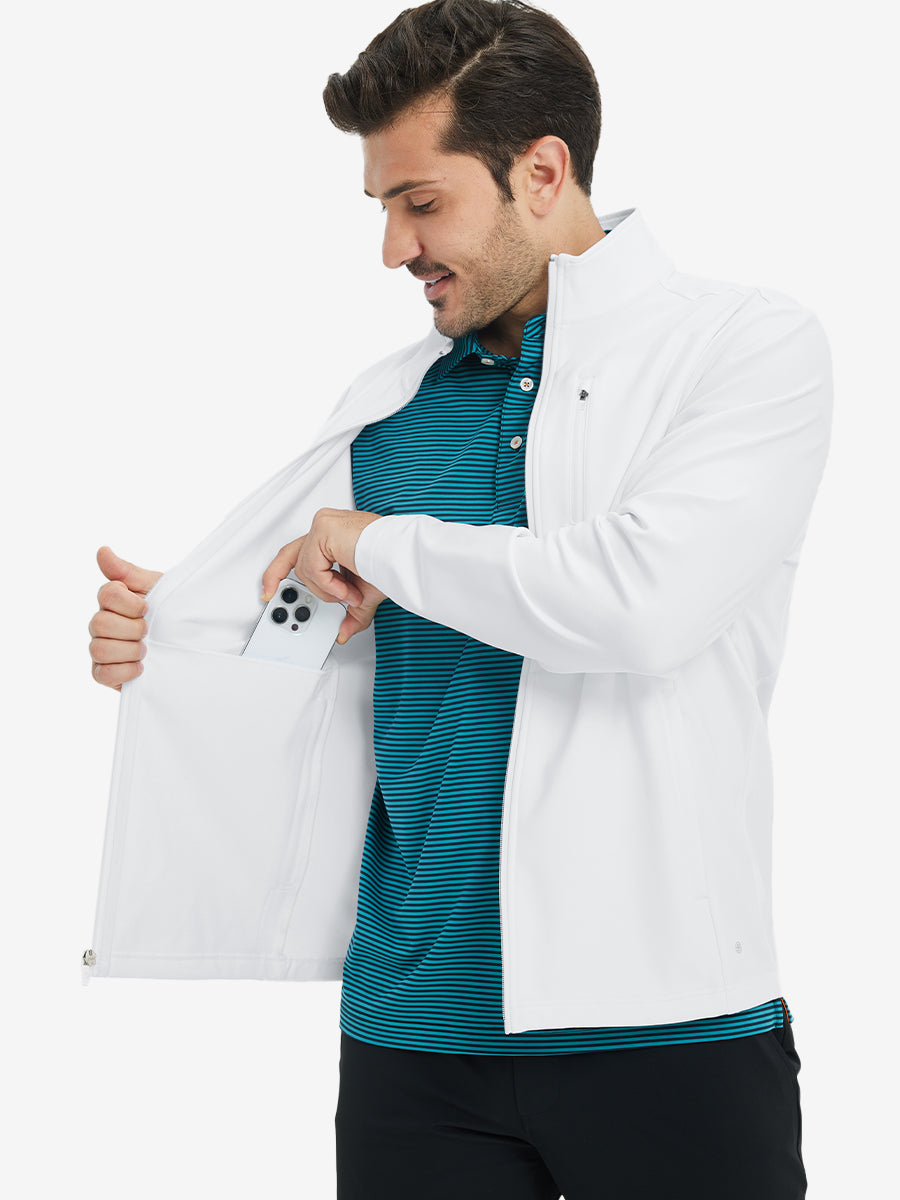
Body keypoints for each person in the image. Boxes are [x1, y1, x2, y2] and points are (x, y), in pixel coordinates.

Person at [86, 1, 831, 1196]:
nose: (394, 248)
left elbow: (640, 602)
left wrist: (380, 544)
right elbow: (318, 639)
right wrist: (180, 639)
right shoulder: (392, 404)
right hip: (412, 1038)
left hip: (668, 1024)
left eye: (421, 202)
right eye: (382, 207)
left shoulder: (741, 349)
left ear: (542, 172)